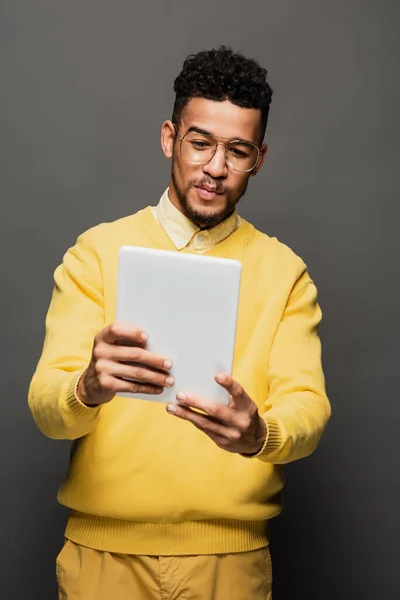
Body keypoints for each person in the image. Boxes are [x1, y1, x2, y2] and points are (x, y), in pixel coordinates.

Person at [28, 46, 331, 600]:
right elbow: (47, 409)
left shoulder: (285, 272)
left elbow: (308, 406)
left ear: (258, 158)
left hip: (230, 561)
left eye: (237, 151)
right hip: (102, 557)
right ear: (170, 138)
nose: (216, 168)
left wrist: (263, 434)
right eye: (201, 143)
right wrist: (87, 387)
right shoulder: (95, 254)